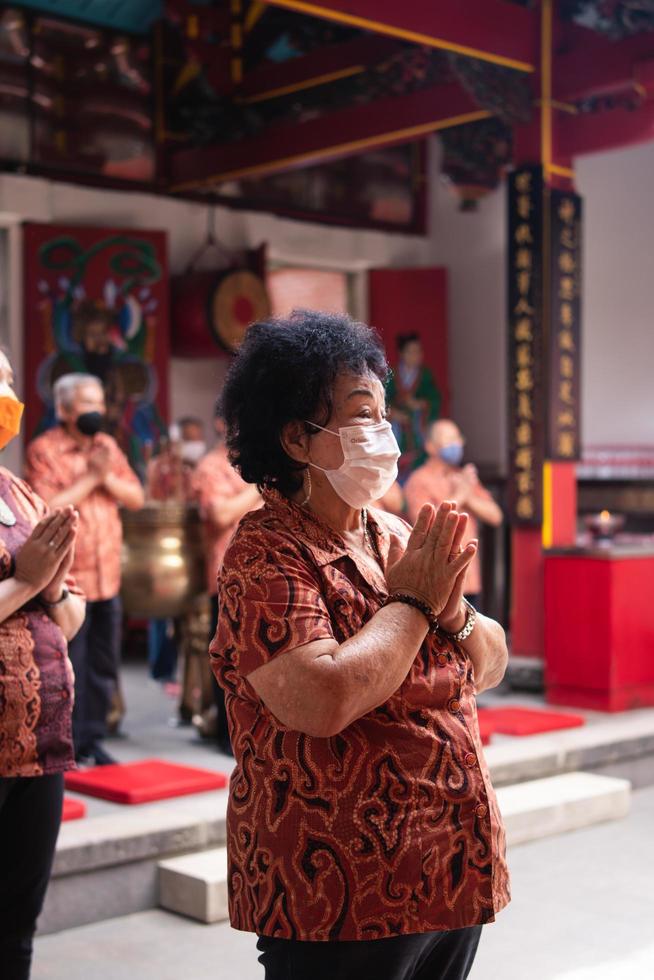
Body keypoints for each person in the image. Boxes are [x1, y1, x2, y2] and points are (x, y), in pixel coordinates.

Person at [211, 310, 510, 979]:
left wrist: (453, 608)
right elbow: (323, 697)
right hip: (340, 885)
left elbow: (491, 662)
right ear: (296, 438)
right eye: (362, 415)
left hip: (449, 864)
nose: (384, 435)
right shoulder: (267, 553)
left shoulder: (394, 532)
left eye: (384, 416)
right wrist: (411, 605)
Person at [0, 350, 86, 980]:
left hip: (39, 738)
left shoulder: (20, 491)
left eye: (7, 380)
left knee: (16, 923)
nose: (6, 393)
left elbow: (70, 615)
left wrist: (51, 588)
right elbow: (29, 583)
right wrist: (28, 580)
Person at [25, 373, 144, 765]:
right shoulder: (44, 450)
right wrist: (90, 477)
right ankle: (65, 747)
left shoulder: (106, 445)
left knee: (103, 665)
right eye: (86, 403)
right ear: (63, 409)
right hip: (69, 581)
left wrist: (105, 474)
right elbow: (47, 507)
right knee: (67, 666)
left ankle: (92, 740)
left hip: (108, 575)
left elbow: (136, 496)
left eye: (98, 402)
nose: (96, 411)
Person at [191, 402, 261, 752]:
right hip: (226, 574)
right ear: (221, 423)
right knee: (229, 661)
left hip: (263, 575)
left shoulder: (255, 462)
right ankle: (226, 735)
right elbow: (220, 515)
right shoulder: (211, 467)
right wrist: (259, 486)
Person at [404, 420, 503, 610]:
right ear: (431, 447)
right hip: (437, 579)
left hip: (469, 579)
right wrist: (460, 494)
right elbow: (426, 525)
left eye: (457, 438)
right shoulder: (419, 480)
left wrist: (468, 497)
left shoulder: (462, 477)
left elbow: (495, 516)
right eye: (448, 439)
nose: (456, 444)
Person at [387, 332, 441, 480]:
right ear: (401, 353)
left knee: (419, 466)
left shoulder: (425, 375)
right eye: (411, 351)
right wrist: (393, 414)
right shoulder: (391, 375)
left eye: (418, 351)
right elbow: (380, 401)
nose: (415, 355)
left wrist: (421, 404)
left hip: (417, 428)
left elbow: (435, 399)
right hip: (397, 427)